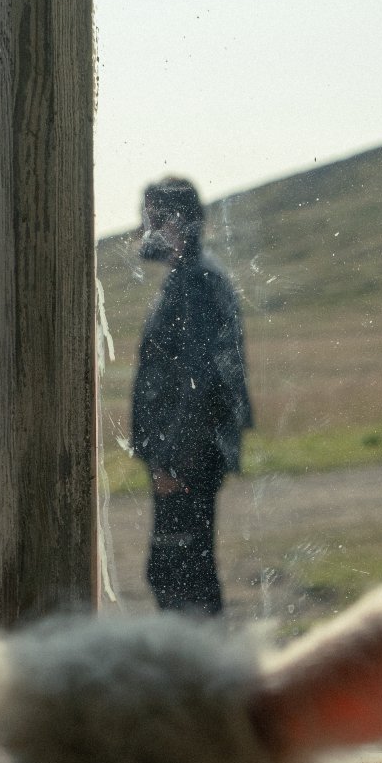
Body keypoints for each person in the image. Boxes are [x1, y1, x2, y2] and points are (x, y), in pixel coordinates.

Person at [131, 177, 252, 615]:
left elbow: (203, 382)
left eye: (153, 218)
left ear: (177, 221)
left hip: (187, 457)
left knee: (178, 572)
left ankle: (195, 671)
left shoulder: (196, 282)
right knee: (179, 568)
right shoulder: (192, 278)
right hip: (187, 453)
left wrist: (172, 460)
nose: (144, 229)